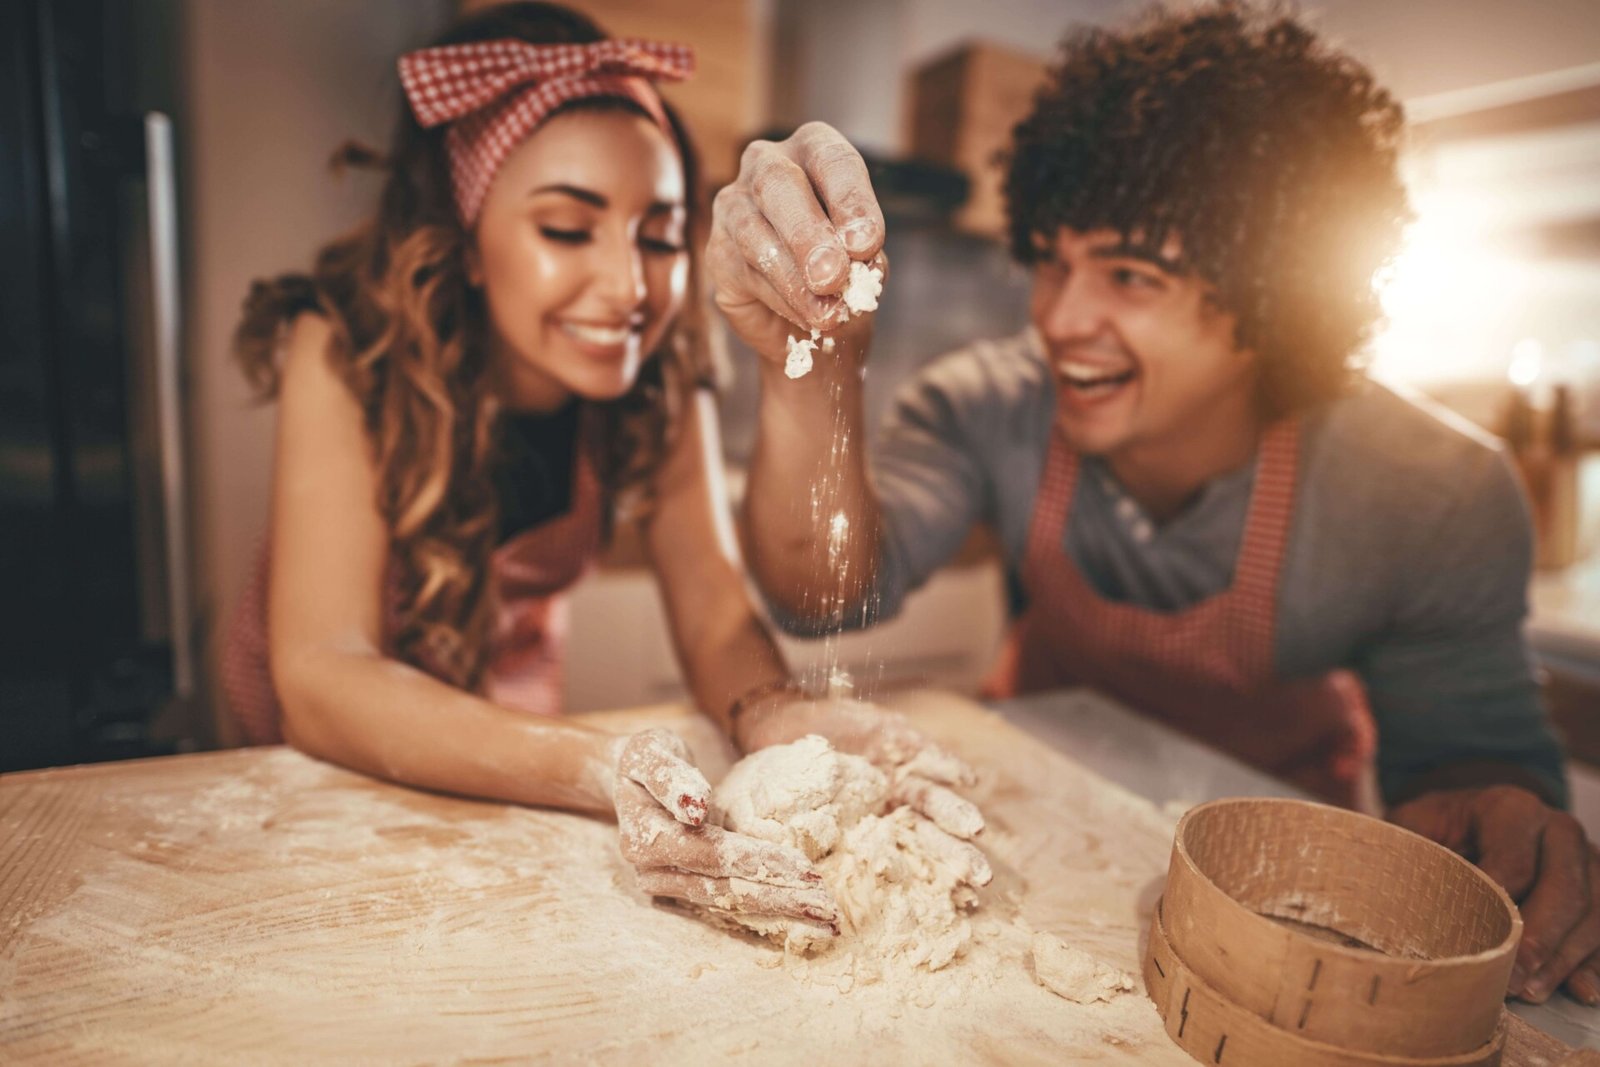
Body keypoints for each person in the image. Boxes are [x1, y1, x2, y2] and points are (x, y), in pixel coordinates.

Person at [710, 2, 1600, 1003]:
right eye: (1053, 259)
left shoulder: (1426, 490)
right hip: (1023, 840)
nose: (1060, 317)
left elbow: (1466, 760)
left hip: (1270, 888)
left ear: (1275, 300)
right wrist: (811, 362)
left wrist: (1500, 821)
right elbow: (823, 593)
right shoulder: (987, 407)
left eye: (1130, 275)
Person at [220, 1, 984, 938]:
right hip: (313, 765)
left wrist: (771, 710)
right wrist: (598, 764)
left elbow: (711, 610)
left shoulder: (656, 376)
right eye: (568, 230)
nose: (629, 288)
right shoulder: (343, 347)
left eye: (658, 235)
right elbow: (323, 673)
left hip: (505, 733)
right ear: (465, 239)